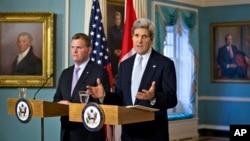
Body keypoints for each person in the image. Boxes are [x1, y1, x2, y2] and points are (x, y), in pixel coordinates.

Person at [87, 18, 177, 141]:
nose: (139, 41)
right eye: (136, 36)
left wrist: (153, 97)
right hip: (129, 135)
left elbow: (172, 99)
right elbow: (120, 97)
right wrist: (104, 95)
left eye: (144, 36)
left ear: (151, 39)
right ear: (132, 38)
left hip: (153, 135)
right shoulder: (125, 65)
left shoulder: (165, 64)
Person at [53, 33, 110, 141]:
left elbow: (105, 104)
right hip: (66, 133)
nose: (74, 51)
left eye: (78, 47)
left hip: (88, 134)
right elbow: (57, 99)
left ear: (89, 50)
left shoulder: (99, 72)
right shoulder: (65, 73)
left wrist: (102, 96)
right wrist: (60, 104)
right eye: (73, 47)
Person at [108, 11, 123, 77]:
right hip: (113, 54)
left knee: (122, 71)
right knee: (114, 72)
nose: (117, 20)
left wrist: (121, 51)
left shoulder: (124, 29)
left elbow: (125, 42)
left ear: (120, 20)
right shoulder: (111, 30)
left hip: (122, 53)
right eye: (116, 19)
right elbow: (109, 42)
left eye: (118, 19)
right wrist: (114, 51)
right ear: (114, 20)